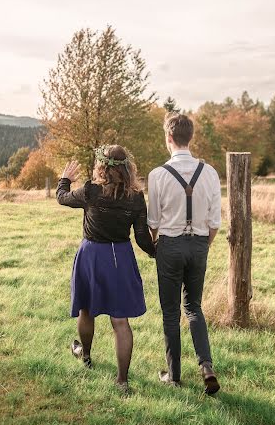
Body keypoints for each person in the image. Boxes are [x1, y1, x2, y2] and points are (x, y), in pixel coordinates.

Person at [56, 145, 155, 393]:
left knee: (86, 310)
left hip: (91, 255)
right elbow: (142, 238)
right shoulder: (135, 198)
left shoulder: (91, 191)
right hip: (119, 256)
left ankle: (86, 357)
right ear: (127, 168)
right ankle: (122, 381)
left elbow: (62, 197)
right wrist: (158, 253)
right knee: (120, 320)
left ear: (101, 166)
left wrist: (65, 179)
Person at [147, 113, 222, 394]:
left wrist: (159, 247)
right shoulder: (210, 172)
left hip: (169, 245)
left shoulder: (157, 175)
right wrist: (201, 246)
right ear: (192, 137)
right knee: (194, 308)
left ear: (168, 138)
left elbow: (153, 222)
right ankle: (206, 367)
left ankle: (175, 376)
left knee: (170, 312)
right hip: (200, 244)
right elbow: (215, 222)